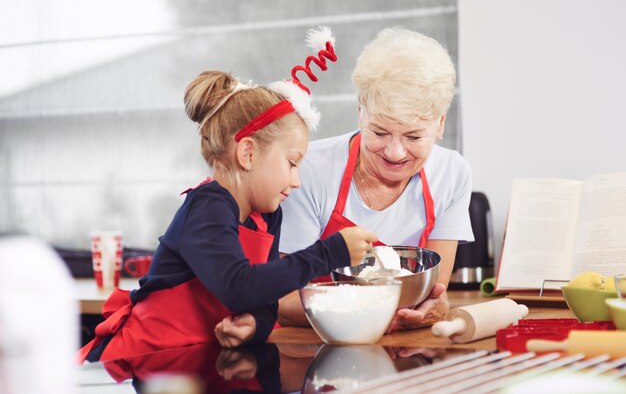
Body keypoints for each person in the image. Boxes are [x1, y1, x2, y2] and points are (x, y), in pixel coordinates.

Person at [77, 27, 378, 363]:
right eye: (292, 164)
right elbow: (239, 286)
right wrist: (329, 252)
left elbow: (264, 300)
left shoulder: (268, 216)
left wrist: (256, 324)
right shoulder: (208, 206)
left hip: (196, 361)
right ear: (248, 154)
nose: (296, 181)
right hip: (142, 358)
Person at [278, 26, 474, 331]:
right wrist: (371, 313)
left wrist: (435, 307)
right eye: (380, 132)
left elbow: (434, 290)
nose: (395, 153)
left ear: (440, 125)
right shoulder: (307, 170)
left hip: (403, 347)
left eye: (413, 136)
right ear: (360, 113)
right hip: (311, 348)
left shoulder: (452, 174)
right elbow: (283, 300)